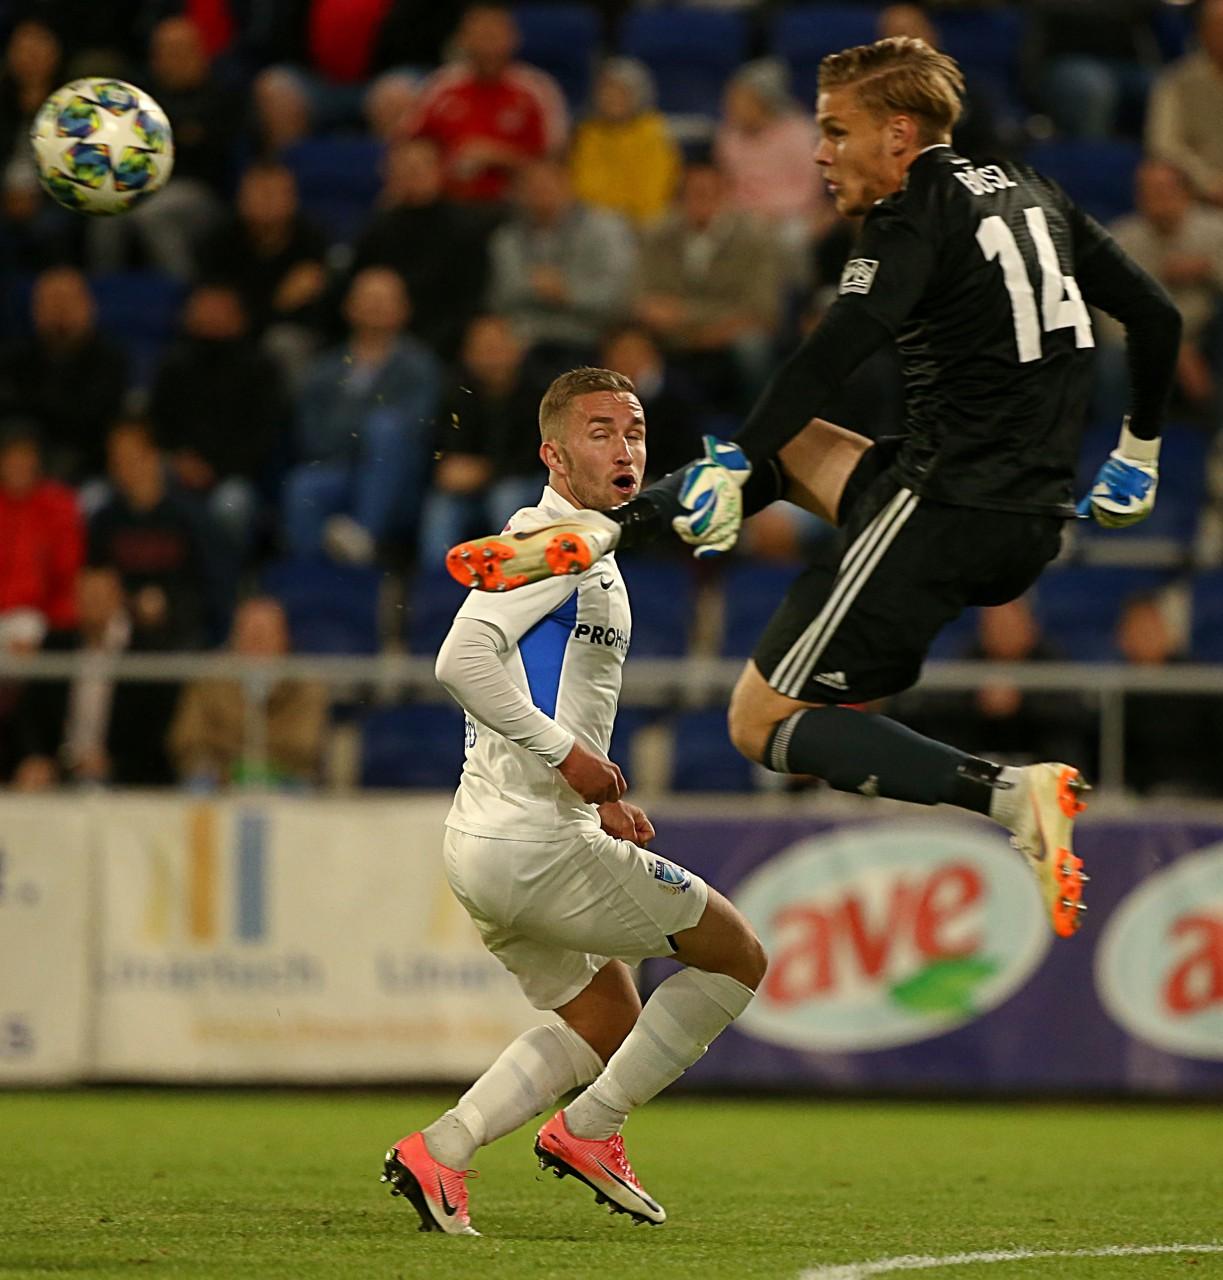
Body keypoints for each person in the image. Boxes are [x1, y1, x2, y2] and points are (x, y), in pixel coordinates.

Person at [447, 36, 1185, 941]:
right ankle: (606, 531)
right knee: (793, 448)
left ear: (898, 135)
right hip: (1025, 511)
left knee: (759, 721)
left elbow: (831, 353)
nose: (821, 153)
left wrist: (730, 462)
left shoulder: (911, 215)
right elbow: (1155, 315)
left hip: (939, 510)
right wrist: (1139, 450)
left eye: (837, 130)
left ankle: (1008, 794)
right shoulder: (1035, 193)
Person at [384, 367, 765, 1235]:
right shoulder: (552, 546)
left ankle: (442, 1149)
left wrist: (587, 789)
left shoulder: (588, 545)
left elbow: (541, 687)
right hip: (534, 846)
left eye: (634, 432)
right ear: (553, 455)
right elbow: (459, 661)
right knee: (737, 956)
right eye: (600, 432)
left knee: (606, 1018)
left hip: (487, 838)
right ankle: (589, 1130)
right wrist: (571, 761)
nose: (624, 447)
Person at [168, 596, 328, 790]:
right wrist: (228, 770)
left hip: (286, 777)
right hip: (218, 777)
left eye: (265, 632)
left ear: (284, 637)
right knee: (197, 789)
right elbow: (188, 738)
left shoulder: (307, 683)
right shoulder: (209, 678)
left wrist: (258, 768)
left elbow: (305, 745)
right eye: (249, 632)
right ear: (234, 636)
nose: (257, 640)